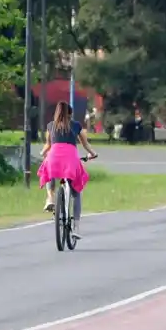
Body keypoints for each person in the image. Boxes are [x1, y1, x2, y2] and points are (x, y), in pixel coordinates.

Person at [38, 101, 97, 239]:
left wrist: (42, 153)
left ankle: (50, 198)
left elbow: (48, 145)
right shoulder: (76, 126)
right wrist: (93, 154)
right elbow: (85, 144)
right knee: (76, 193)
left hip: (54, 156)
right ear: (70, 114)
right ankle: (76, 227)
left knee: (48, 169)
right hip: (70, 159)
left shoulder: (50, 126)